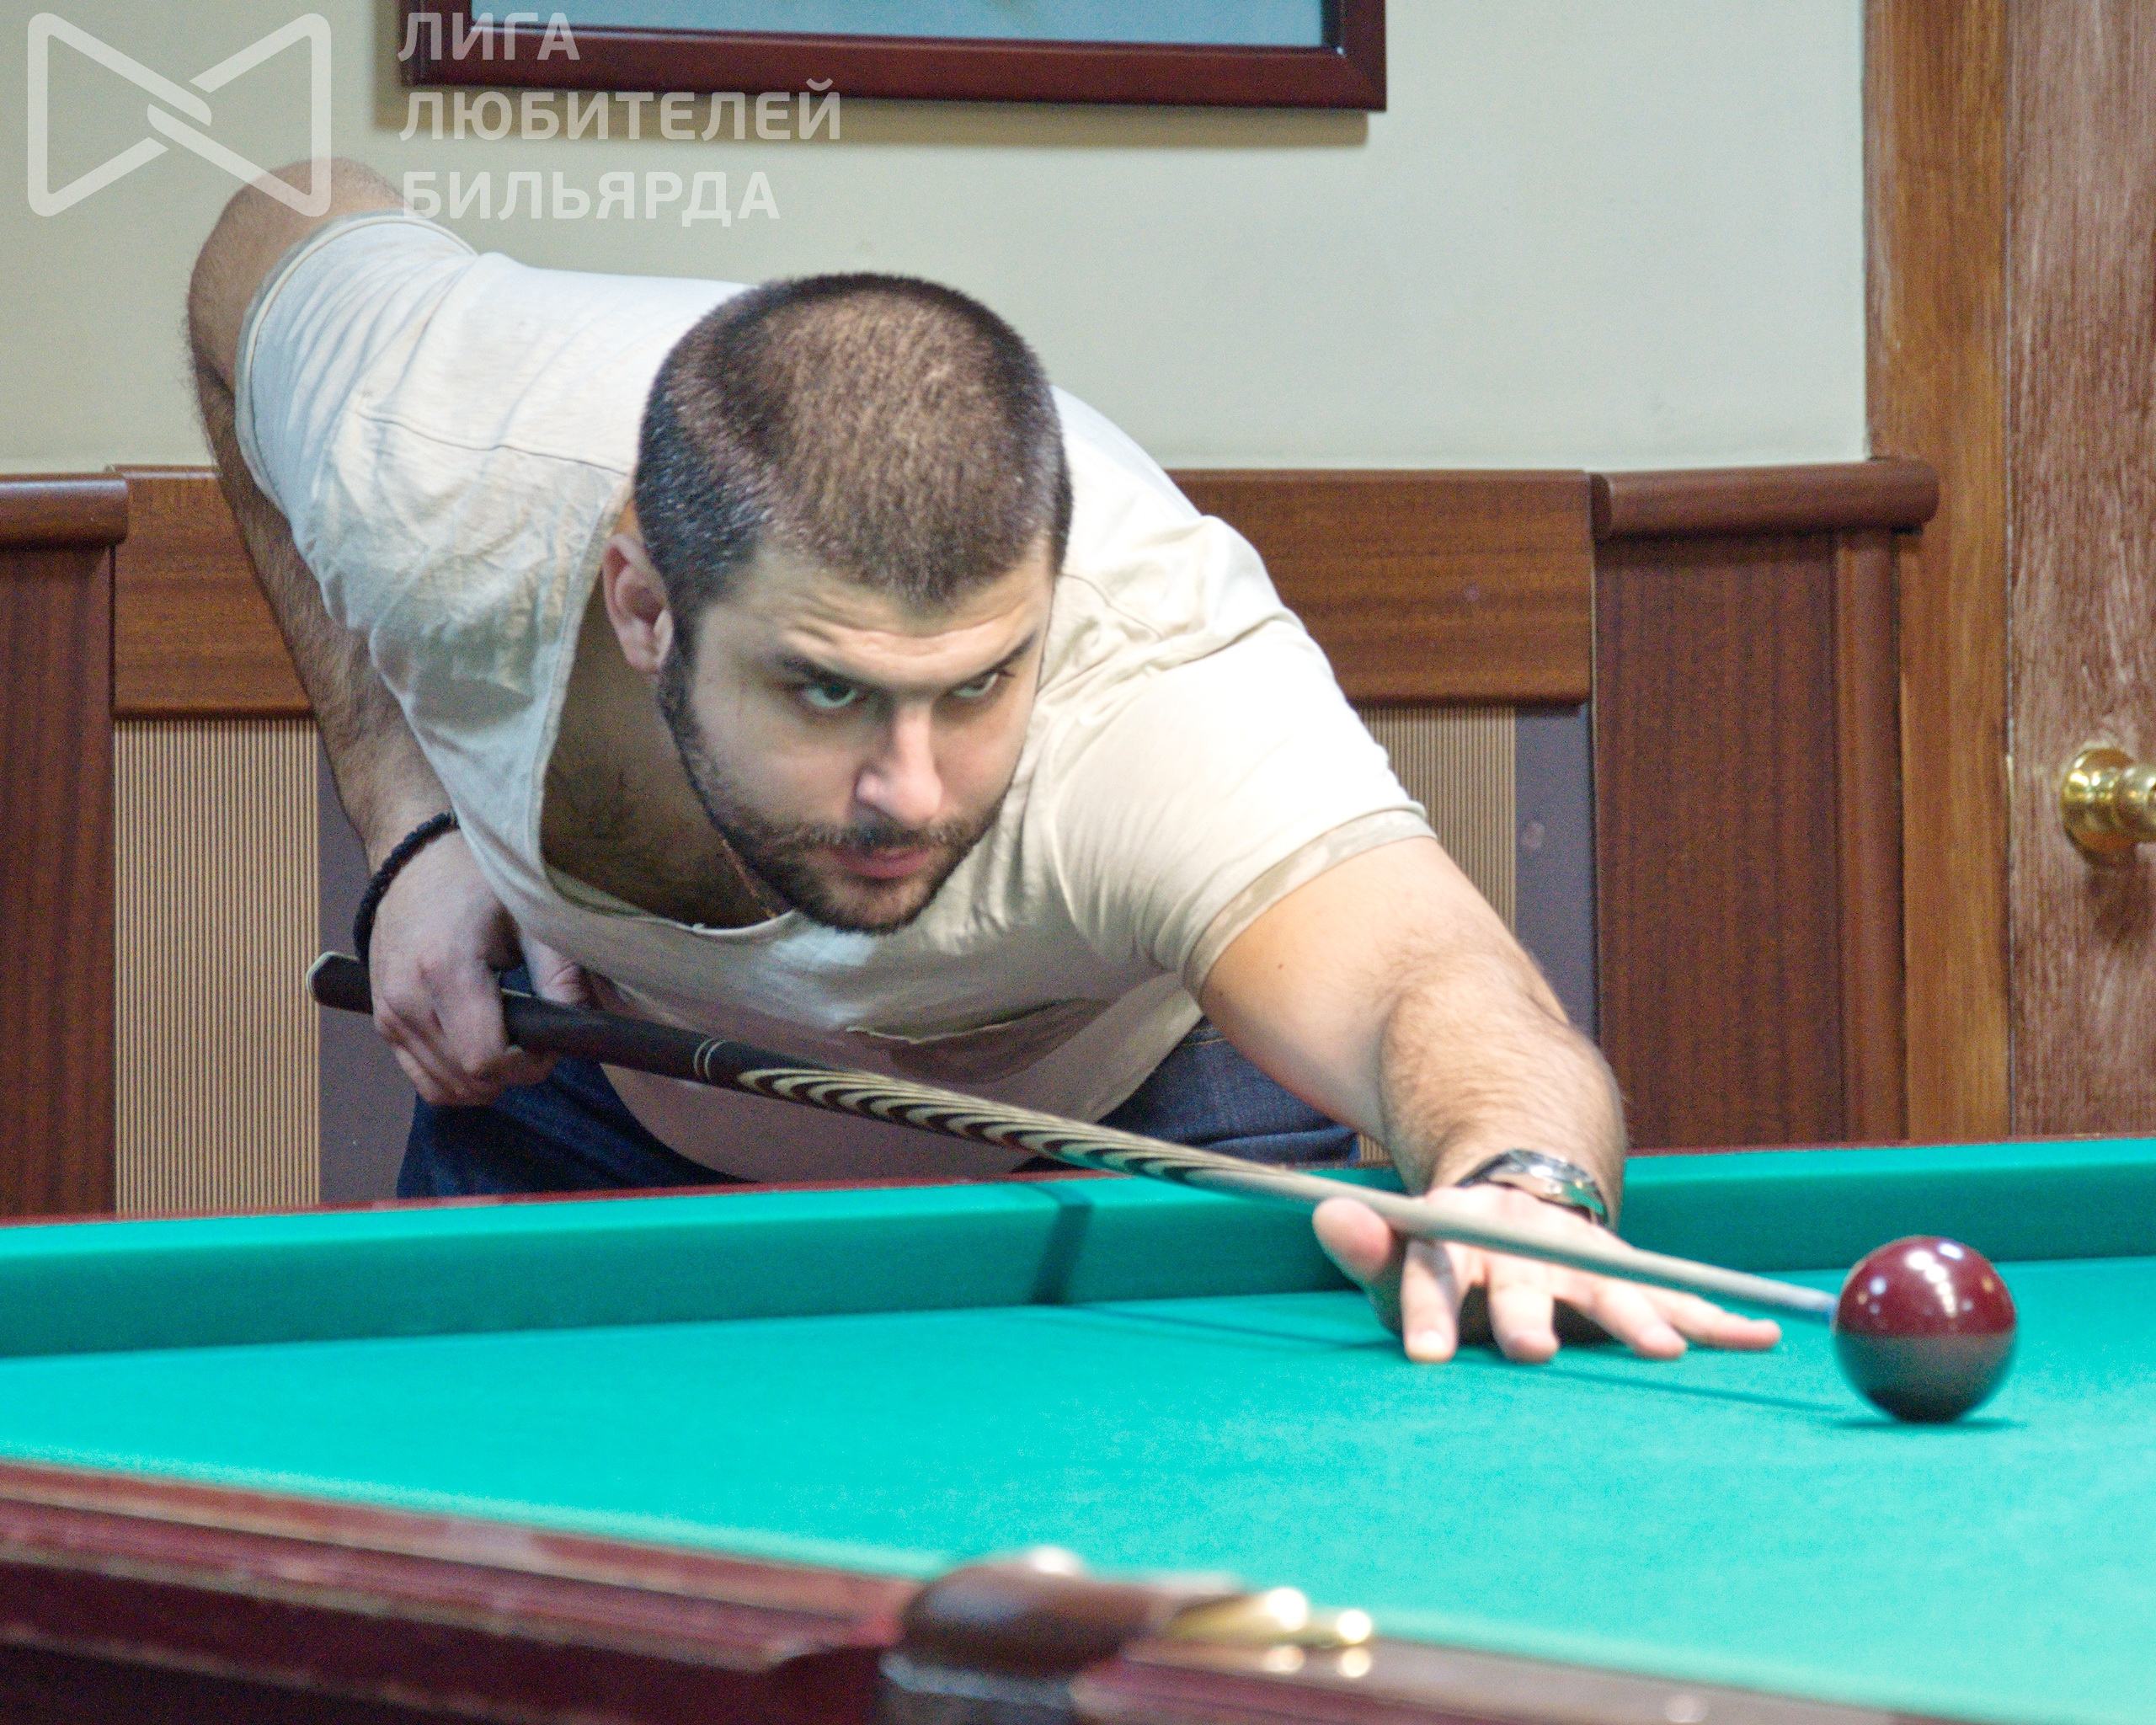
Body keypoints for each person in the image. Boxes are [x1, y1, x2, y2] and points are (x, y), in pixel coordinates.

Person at [187, 160, 1777, 1369]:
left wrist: (1521, 1182)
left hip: (1134, 1145)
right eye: (825, 691)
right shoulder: (442, 461)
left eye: (977, 687)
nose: (913, 788)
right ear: (645, 605)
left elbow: (1445, 989)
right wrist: (409, 822)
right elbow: (267, 237)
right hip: (591, 1108)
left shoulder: (1153, 692)